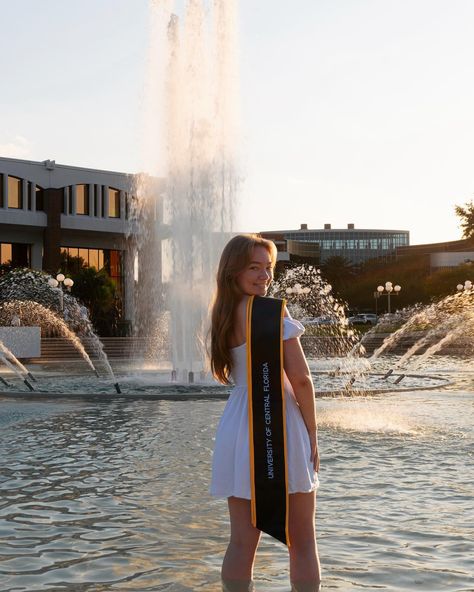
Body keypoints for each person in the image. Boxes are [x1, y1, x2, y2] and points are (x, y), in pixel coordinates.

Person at [209, 234, 321, 592]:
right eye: (254, 267)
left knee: (242, 541)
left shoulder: (222, 313)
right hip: (279, 422)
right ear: (233, 271)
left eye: (268, 268)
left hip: (239, 425)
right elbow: (301, 380)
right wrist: (313, 433)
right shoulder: (272, 312)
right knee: (302, 541)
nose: (264, 276)